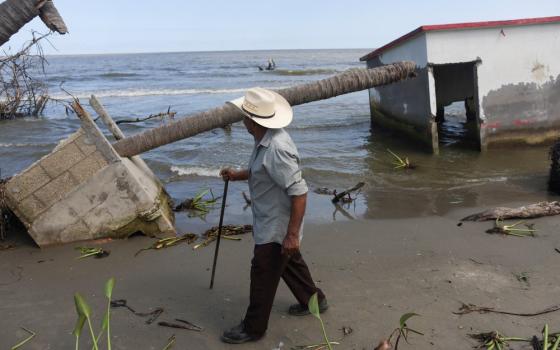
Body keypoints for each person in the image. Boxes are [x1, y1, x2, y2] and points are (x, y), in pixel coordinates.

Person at [220, 87, 327, 344]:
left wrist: (291, 235)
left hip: (277, 227)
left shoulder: (276, 148)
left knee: (263, 273)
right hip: (272, 221)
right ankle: (315, 300)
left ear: (253, 121)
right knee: (290, 264)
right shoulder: (264, 139)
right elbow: (263, 171)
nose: (243, 119)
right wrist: (238, 175)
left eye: (245, 115)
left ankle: (253, 328)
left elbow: (300, 192)